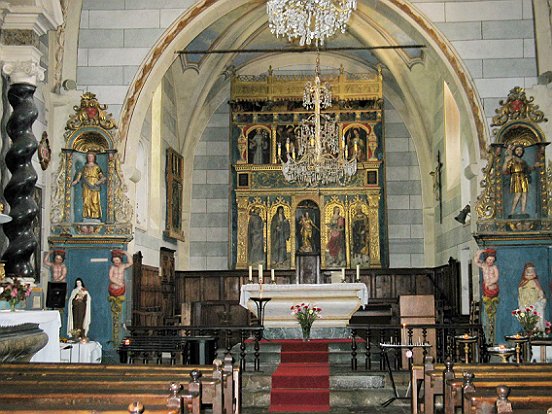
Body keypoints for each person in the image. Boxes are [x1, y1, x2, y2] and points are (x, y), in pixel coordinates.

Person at [72, 151, 106, 220]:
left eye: (91, 157)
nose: (90, 158)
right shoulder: (84, 167)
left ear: (94, 158)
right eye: (89, 157)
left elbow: (102, 177)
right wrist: (76, 181)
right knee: (86, 200)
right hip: (86, 185)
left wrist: (99, 182)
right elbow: (80, 175)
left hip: (94, 185)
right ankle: (87, 215)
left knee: (94, 200)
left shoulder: (97, 167)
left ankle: (95, 216)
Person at [475, 248, 499, 342]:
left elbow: (496, 277)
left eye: (492, 260)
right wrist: (481, 252)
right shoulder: (484, 266)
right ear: (486, 259)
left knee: (492, 310)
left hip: (492, 287)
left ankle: (492, 335)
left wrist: (490, 282)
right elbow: (476, 261)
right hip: (486, 289)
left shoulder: (494, 268)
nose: (490, 262)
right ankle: (488, 336)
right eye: (489, 260)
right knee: (487, 312)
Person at [502, 144, 531, 215]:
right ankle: (512, 211)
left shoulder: (523, 161)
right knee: (518, 194)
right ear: (514, 151)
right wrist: (506, 162)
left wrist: (534, 166)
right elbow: (504, 170)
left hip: (523, 178)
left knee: (525, 194)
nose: (519, 151)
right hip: (516, 177)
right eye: (517, 150)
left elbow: (527, 170)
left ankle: (523, 211)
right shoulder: (512, 159)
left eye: (521, 150)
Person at [518, 262, 546, 332]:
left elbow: (540, 292)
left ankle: (536, 332)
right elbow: (520, 293)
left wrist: (541, 297)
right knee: (527, 320)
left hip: (534, 304)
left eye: (532, 271)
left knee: (535, 320)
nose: (530, 273)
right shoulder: (522, 283)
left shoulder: (535, 282)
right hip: (525, 304)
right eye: (528, 271)